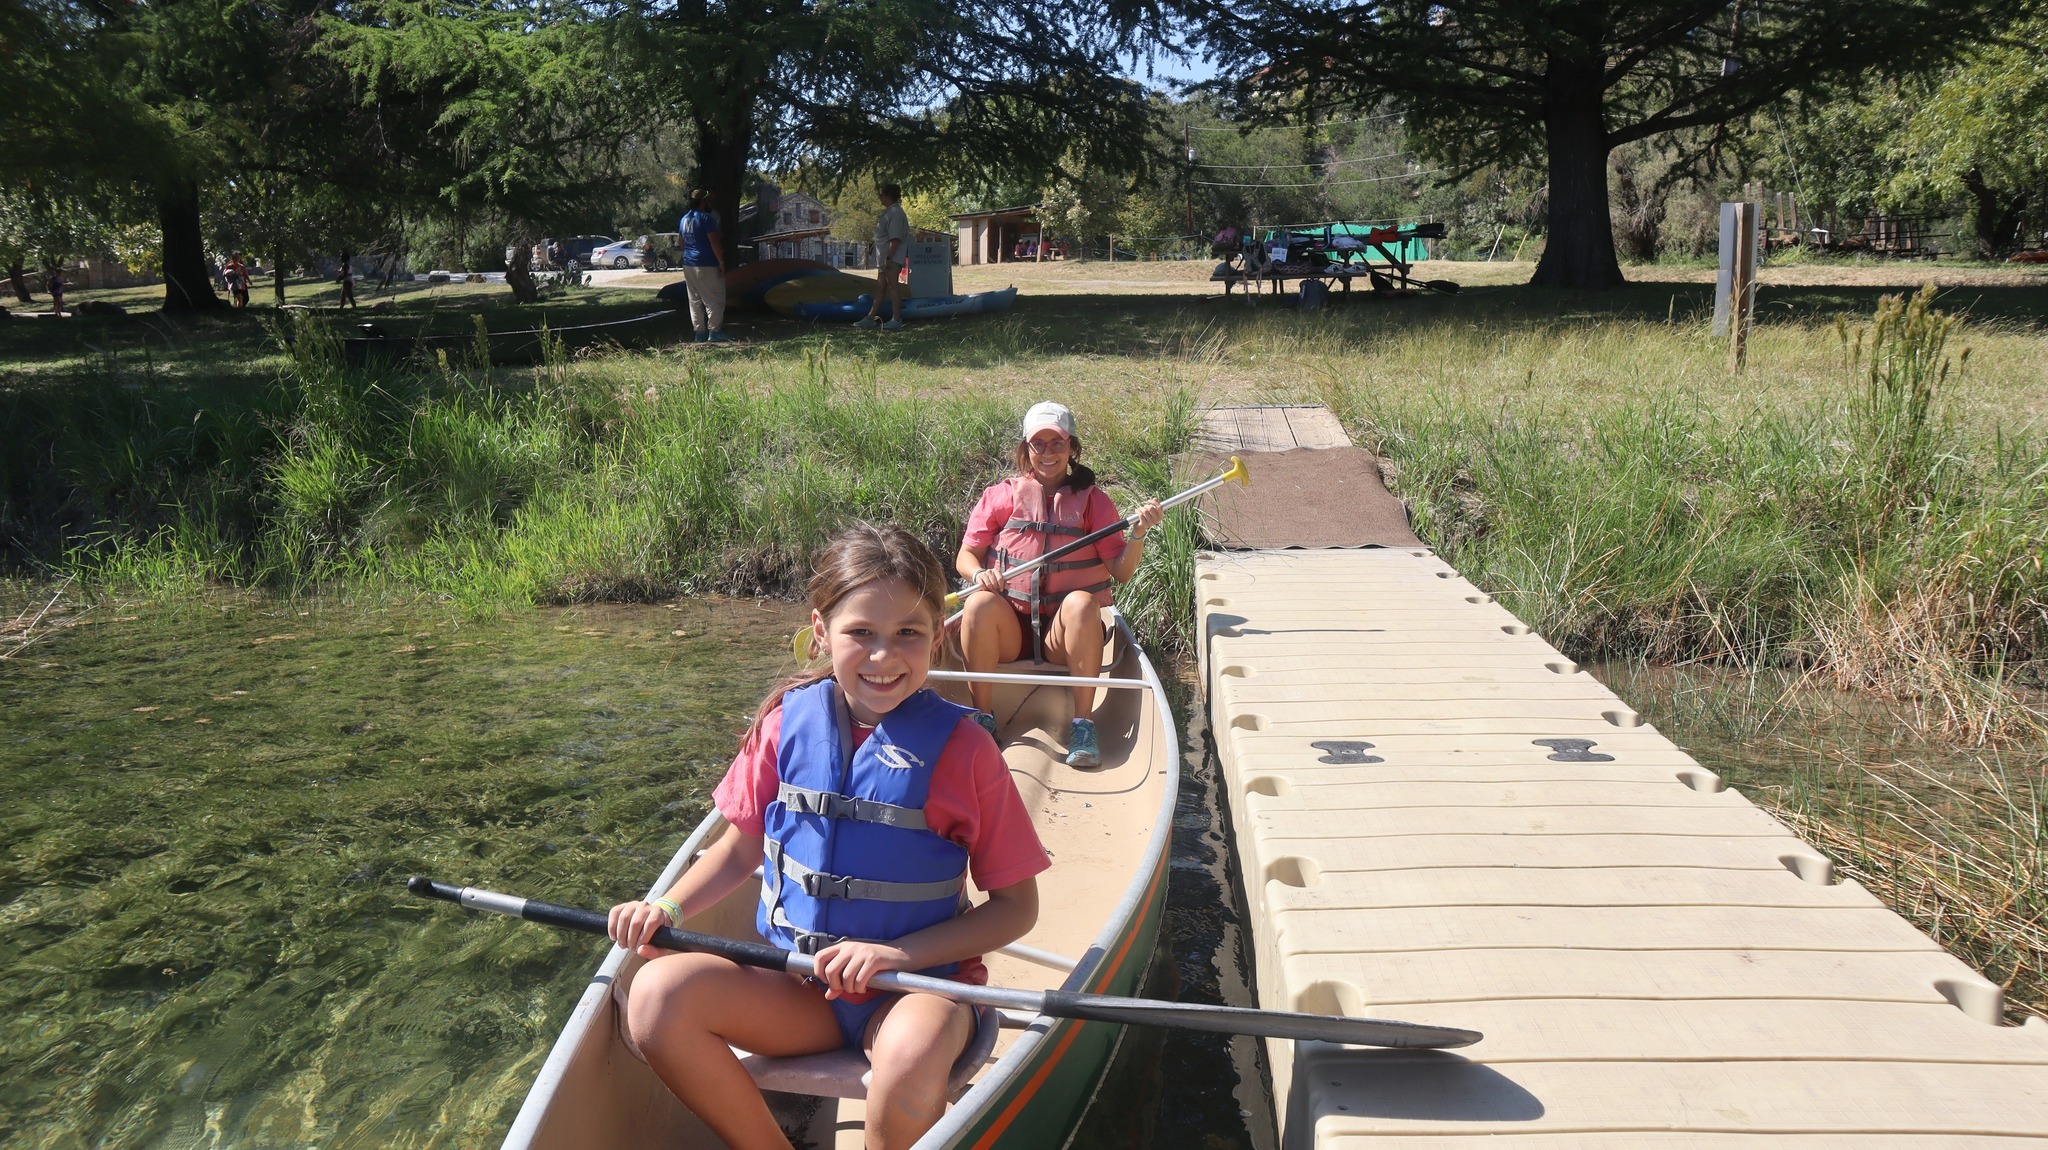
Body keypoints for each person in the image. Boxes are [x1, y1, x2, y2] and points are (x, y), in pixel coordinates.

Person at [606, 523, 1046, 1150]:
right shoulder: (786, 724)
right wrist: (666, 907)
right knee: (652, 998)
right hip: (800, 987)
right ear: (821, 633)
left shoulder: (967, 751)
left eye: (908, 634)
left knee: (909, 1055)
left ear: (937, 637)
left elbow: (1016, 907)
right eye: (859, 633)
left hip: (913, 991)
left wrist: (898, 957)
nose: (883, 656)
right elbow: (739, 846)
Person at [954, 402, 1163, 767]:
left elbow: (1121, 571)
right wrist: (977, 575)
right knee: (977, 604)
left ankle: (1083, 724)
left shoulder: (1093, 502)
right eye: (1039, 445)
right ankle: (982, 719)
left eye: (1057, 444)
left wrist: (1139, 533)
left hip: (1061, 639)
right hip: (1011, 631)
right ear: (1026, 449)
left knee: (1083, 603)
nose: (1048, 453)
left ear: (1072, 448)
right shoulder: (1001, 495)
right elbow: (966, 556)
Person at [677, 189, 732, 343]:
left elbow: (681, 242)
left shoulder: (684, 219)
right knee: (715, 298)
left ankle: (699, 334)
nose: (710, 204)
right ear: (703, 201)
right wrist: (721, 262)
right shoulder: (706, 219)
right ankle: (715, 332)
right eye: (709, 201)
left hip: (689, 264)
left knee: (694, 300)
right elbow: (715, 242)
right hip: (706, 264)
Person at [855, 182, 909, 331]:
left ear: (888, 195)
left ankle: (896, 319)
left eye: (881, 195)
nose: (880, 198)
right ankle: (870, 318)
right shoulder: (889, 212)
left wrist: (889, 258)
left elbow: (895, 238)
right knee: (880, 288)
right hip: (884, 259)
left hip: (891, 259)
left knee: (893, 287)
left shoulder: (895, 213)